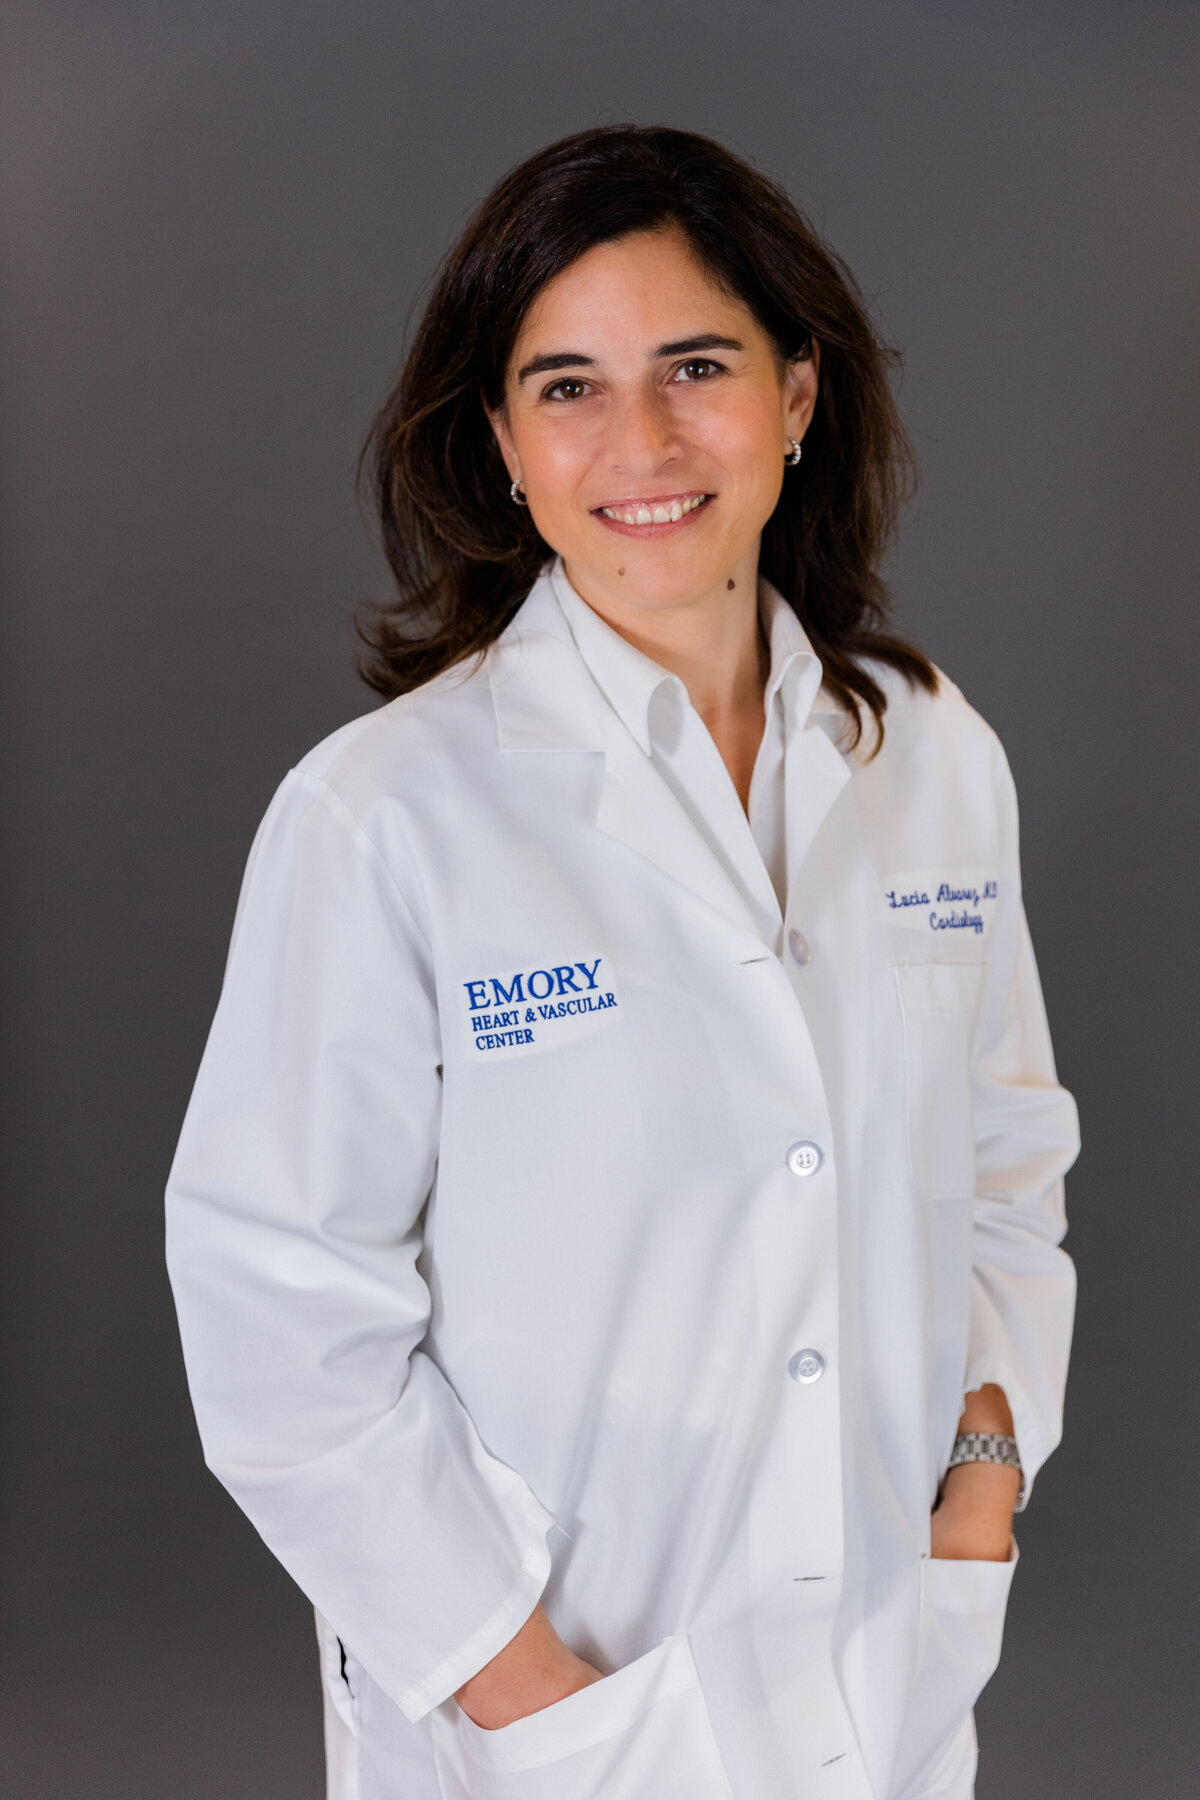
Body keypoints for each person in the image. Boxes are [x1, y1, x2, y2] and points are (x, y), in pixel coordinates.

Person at [165, 124, 1079, 1800]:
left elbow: (1011, 1168)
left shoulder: (936, 755)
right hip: (556, 1713)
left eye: (697, 366)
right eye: (568, 385)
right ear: (504, 441)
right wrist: (522, 1691)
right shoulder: (385, 815)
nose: (641, 440)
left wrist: (982, 1482)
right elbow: (282, 1325)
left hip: (886, 1670)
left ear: (799, 398)